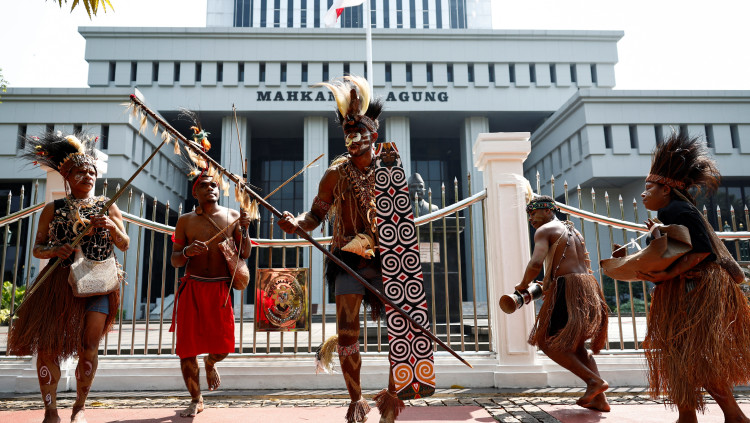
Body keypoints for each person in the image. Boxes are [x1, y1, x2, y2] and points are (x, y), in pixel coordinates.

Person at [278, 76, 401, 423]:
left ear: (373, 135)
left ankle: (393, 397)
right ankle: (357, 400)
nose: (352, 140)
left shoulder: (390, 168)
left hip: (388, 259)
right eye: (347, 134)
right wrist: (296, 223)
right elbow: (315, 215)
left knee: (400, 330)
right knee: (347, 333)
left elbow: (403, 215)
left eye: (358, 133)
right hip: (347, 259)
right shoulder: (335, 175)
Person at [8, 131, 130, 423]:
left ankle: (79, 407)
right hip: (58, 284)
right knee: (48, 346)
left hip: (99, 283)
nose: (88, 176)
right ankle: (51, 411)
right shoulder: (53, 209)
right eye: (80, 172)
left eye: (91, 172)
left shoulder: (108, 205)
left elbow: (125, 243)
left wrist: (111, 227)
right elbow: (37, 248)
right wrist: (56, 249)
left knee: (89, 348)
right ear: (67, 177)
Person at [637, 131, 750, 423]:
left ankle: (732, 415)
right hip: (685, 289)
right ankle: (689, 414)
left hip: (694, 289)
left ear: (666, 189)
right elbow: (678, 248)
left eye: (648, 188)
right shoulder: (673, 211)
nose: (643, 194)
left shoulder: (676, 208)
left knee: (691, 353)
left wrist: (666, 273)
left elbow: (700, 251)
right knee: (680, 353)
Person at [515, 195, 610, 412]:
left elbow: (536, 263)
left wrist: (523, 284)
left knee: (547, 342)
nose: (531, 218)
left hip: (567, 288)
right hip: (587, 286)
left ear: (548, 210)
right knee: (578, 346)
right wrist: (549, 282)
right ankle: (600, 399)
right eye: (529, 214)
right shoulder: (573, 230)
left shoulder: (545, 230)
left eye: (534, 213)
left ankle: (594, 382)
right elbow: (574, 263)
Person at [170, 172, 252, 417]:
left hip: (220, 290)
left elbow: (245, 253)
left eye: (214, 185)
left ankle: (210, 362)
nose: (210, 188)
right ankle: (196, 399)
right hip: (193, 288)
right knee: (187, 350)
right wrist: (187, 251)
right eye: (204, 185)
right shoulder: (185, 221)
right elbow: (175, 260)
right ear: (195, 192)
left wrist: (245, 230)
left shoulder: (233, 216)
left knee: (224, 347)